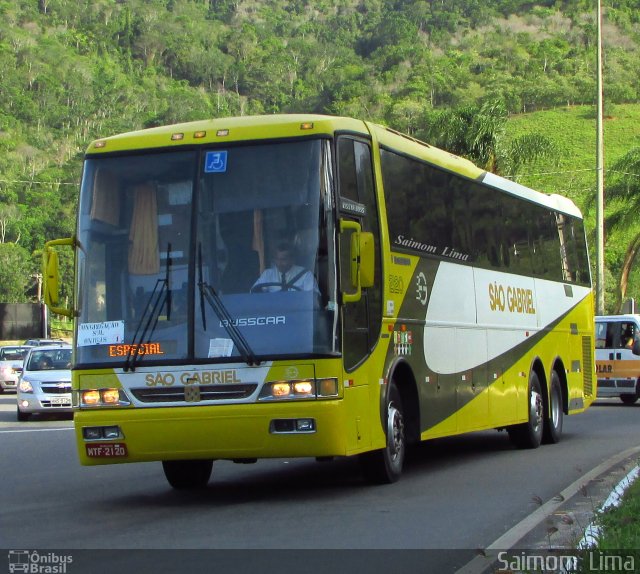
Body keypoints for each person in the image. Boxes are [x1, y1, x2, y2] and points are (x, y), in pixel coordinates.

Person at [251, 241, 319, 293]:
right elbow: (253, 292)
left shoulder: (305, 275)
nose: (279, 263)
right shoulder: (267, 274)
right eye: (277, 259)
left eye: (283, 259)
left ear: (292, 260)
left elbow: (313, 298)